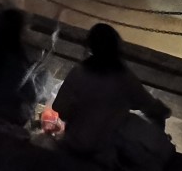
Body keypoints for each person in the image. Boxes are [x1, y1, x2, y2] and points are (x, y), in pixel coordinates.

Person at [54, 24, 174, 171]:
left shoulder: (78, 72)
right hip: (104, 150)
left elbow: (60, 108)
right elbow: (149, 105)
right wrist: (162, 112)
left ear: (90, 47)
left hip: (75, 143)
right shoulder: (124, 77)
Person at [0, 9, 41, 127]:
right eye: (26, 27)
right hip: (8, 114)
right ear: (18, 31)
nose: (27, 31)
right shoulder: (13, 59)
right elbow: (29, 94)